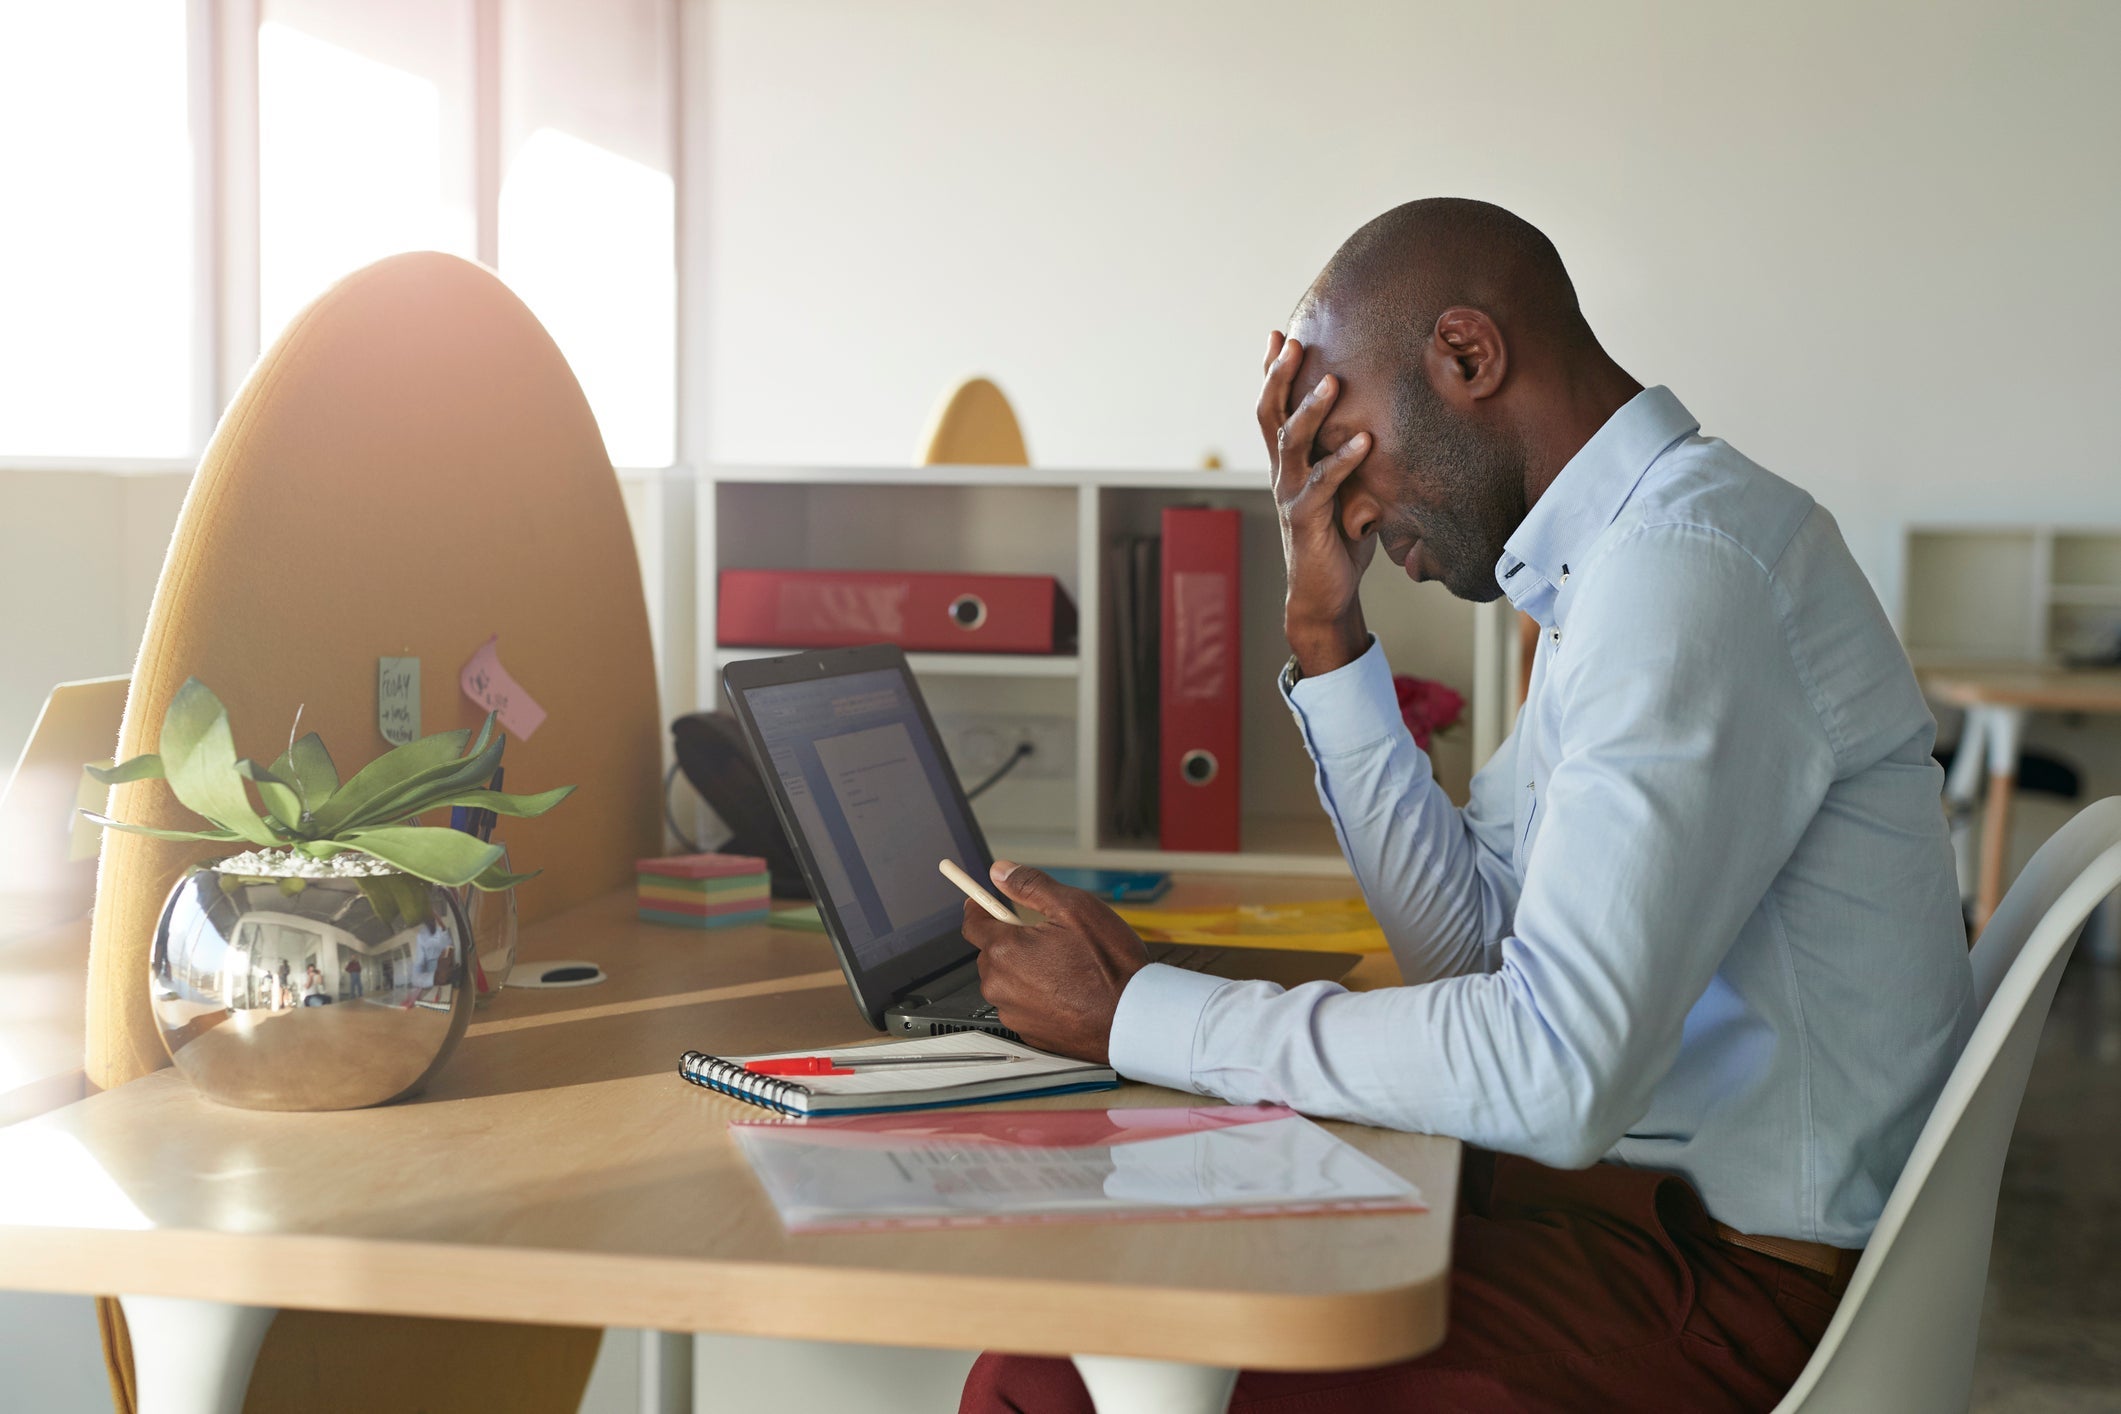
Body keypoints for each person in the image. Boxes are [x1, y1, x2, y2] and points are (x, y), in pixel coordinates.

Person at [958, 199, 1975, 1412]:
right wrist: (1326, 636)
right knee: (1047, 1353)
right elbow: (1470, 953)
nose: (1342, 503)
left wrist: (1141, 1014)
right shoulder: (1611, 570)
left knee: (1131, 1374)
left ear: (1468, 357)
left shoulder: (1689, 571)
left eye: (1340, 444)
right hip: (1609, 1222)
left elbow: (1555, 1066)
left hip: (1719, 1284)